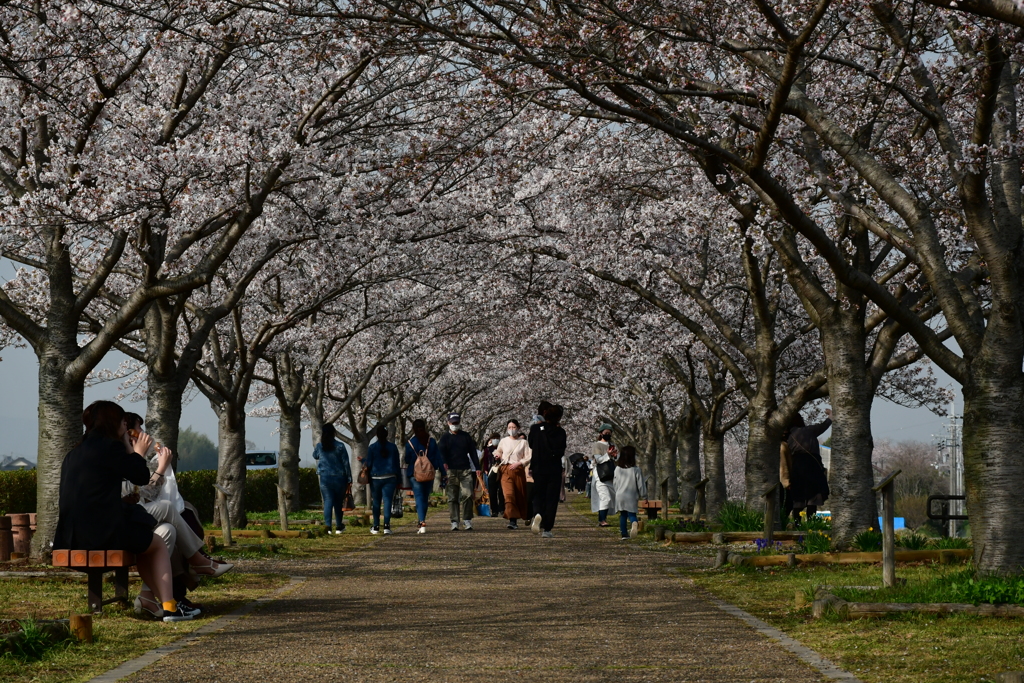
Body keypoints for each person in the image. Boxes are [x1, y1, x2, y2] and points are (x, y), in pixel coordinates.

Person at [53, 401, 195, 622]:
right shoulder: (111, 447)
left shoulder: (75, 452)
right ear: (113, 423)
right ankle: (170, 607)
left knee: (158, 534)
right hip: (101, 534)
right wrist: (136, 451)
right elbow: (140, 476)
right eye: (122, 421)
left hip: (71, 536)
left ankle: (162, 602)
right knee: (156, 543)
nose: (125, 425)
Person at [122, 414, 232, 618]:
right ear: (129, 433)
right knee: (167, 507)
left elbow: (141, 495)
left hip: (135, 517)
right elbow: (137, 494)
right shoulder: (119, 455)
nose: (144, 435)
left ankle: (150, 597)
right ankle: (198, 561)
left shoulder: (133, 455)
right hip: (122, 520)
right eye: (139, 430)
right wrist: (160, 468)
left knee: (168, 530)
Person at [781, 408, 832, 526]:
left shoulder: (788, 437)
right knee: (812, 499)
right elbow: (824, 425)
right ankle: (812, 524)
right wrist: (830, 416)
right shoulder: (810, 430)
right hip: (814, 467)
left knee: (798, 498)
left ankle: (797, 523)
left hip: (798, 467)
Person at [528, 402, 567, 538]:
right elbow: (561, 451)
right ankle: (547, 529)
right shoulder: (561, 432)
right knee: (551, 499)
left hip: (538, 467)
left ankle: (538, 513)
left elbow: (531, 444)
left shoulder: (535, 429)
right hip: (554, 469)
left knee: (538, 495)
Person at [437, 413, 480, 531]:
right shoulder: (445, 437)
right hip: (451, 470)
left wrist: (477, 467)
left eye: (456, 423)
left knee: (467, 494)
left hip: (465, 469)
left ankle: (467, 520)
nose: (455, 425)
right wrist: (444, 464)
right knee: (453, 497)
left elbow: (473, 452)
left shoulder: (465, 436)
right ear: (448, 423)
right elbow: (441, 452)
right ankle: (454, 521)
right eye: (452, 423)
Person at [404, 419, 446, 534]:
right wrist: (443, 472)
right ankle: (422, 520)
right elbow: (438, 457)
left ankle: (421, 521)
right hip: (429, 473)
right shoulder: (431, 442)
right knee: (425, 497)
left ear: (413, 429)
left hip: (415, 474)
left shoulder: (410, 443)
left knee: (419, 497)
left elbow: (407, 459)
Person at [313, 424, 352, 534]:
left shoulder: (320, 446)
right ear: (334, 432)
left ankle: (328, 527)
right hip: (340, 477)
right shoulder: (340, 446)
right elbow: (346, 463)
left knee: (328, 501)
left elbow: (315, 456)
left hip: (325, 478)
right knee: (338, 503)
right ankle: (339, 526)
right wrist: (349, 478)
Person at [494, 419, 531, 530]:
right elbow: (499, 450)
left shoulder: (523, 442)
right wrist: (497, 455)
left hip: (518, 471)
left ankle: (524, 515)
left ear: (518, 428)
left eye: (513, 427)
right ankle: (512, 520)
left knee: (519, 495)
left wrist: (519, 463)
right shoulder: (504, 441)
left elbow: (528, 456)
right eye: (509, 427)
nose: (511, 429)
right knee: (509, 494)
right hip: (505, 470)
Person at [365, 424, 401, 535]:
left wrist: (363, 461)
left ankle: (375, 526)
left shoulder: (372, 447)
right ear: (387, 435)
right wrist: (399, 479)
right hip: (390, 477)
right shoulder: (393, 447)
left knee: (376, 502)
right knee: (387, 502)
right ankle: (386, 526)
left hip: (376, 478)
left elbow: (369, 464)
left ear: (376, 435)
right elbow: (397, 464)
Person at [613, 446, 647, 540]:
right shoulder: (636, 470)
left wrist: (617, 492)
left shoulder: (617, 469)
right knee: (632, 514)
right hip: (631, 495)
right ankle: (634, 523)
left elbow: (615, 483)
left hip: (620, 495)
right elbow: (641, 484)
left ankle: (624, 534)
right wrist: (644, 496)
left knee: (623, 515)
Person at [590, 424, 618, 527]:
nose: (608, 435)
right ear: (601, 433)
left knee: (609, 497)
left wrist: (614, 456)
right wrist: (608, 455)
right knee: (605, 497)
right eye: (606, 433)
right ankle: (602, 520)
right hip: (600, 475)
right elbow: (598, 460)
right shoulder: (597, 445)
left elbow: (616, 459)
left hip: (610, 475)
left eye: (609, 433)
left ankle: (603, 518)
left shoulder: (612, 444)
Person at [480, 433, 504, 517]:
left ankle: (502, 508)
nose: (496, 439)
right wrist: (486, 469)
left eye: (497, 438)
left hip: (501, 471)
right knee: (492, 492)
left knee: (501, 491)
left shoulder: (502, 448)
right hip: (491, 471)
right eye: (494, 438)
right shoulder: (487, 449)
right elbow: (485, 460)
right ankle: (494, 510)